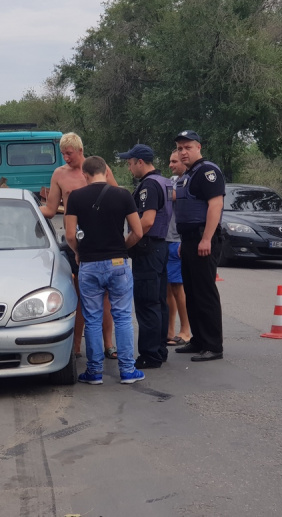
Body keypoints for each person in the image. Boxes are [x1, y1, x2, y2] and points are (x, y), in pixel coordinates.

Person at [65, 156, 145, 384]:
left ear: (85, 174)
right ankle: (128, 371)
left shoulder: (76, 197)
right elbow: (138, 232)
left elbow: (70, 235)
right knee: (122, 317)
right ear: (106, 170)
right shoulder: (123, 195)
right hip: (118, 263)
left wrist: (79, 252)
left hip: (89, 265)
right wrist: (122, 248)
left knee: (92, 319)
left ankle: (94, 372)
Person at [40, 132, 119, 359]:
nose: (65, 158)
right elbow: (51, 209)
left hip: (102, 240)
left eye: (69, 153)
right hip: (75, 241)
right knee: (79, 296)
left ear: (80, 150)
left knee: (105, 298)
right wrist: (29, 207)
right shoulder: (59, 174)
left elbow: (115, 197)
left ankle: (108, 344)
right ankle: (75, 346)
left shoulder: (98, 168)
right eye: (62, 153)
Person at [171, 131, 225, 362]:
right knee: (191, 293)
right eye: (180, 148)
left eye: (188, 147)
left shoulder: (207, 171)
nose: (183, 152)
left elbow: (215, 205)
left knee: (205, 294)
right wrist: (186, 242)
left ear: (198, 147)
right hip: (190, 241)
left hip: (204, 239)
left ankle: (213, 345)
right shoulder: (188, 174)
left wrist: (206, 239)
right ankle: (199, 340)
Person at [119, 144, 173, 370]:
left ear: (140, 162)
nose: (130, 168)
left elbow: (147, 221)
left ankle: (150, 355)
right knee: (159, 301)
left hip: (148, 249)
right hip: (160, 247)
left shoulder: (149, 186)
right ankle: (159, 349)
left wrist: (125, 245)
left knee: (146, 302)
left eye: (130, 164)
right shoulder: (164, 181)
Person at [166, 150, 191, 345]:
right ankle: (170, 330)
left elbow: (173, 197)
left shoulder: (189, 181)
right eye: (170, 161)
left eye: (174, 161)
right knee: (168, 287)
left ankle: (186, 329)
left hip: (177, 240)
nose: (171, 165)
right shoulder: (172, 180)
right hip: (166, 239)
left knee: (178, 286)